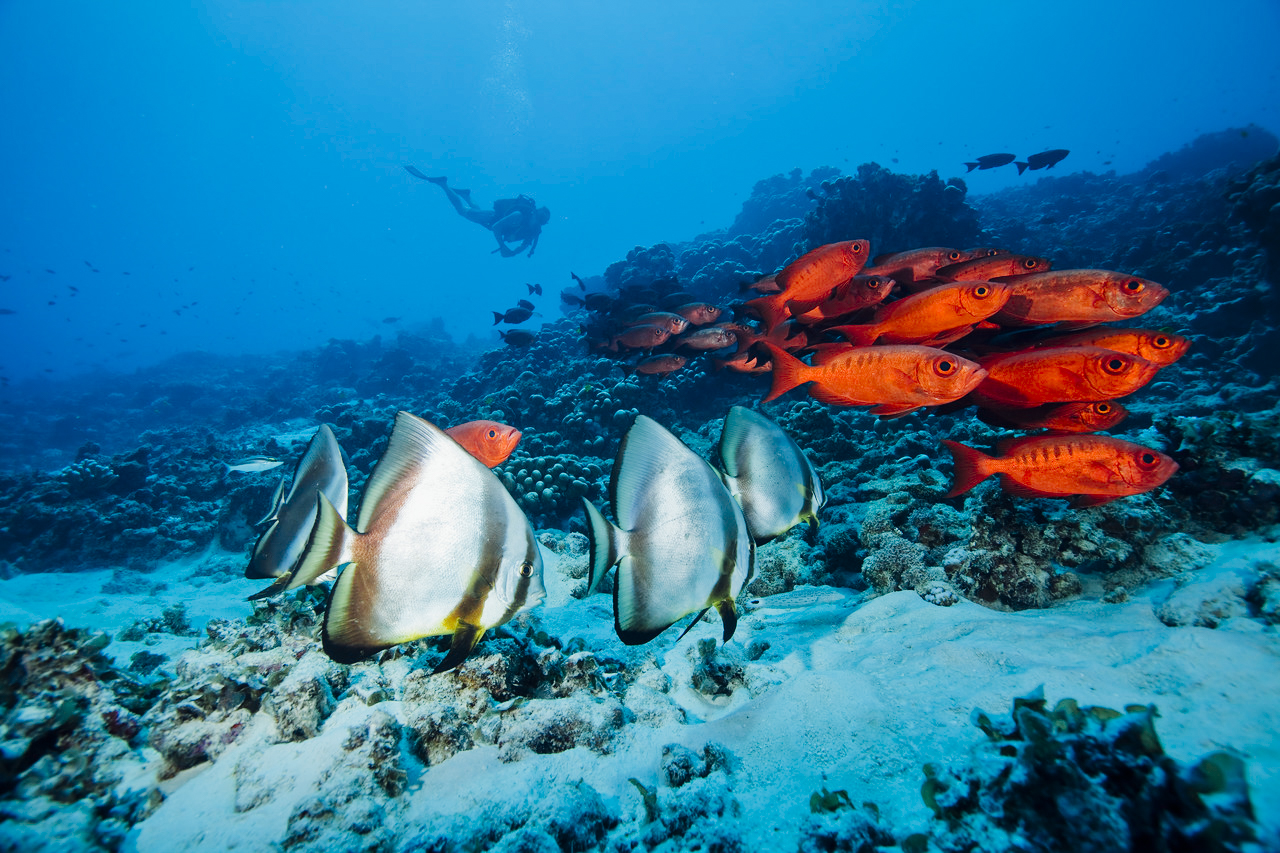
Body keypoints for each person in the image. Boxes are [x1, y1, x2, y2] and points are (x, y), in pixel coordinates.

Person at [405, 165, 550, 258]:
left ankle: (467, 195)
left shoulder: (533, 232)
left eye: (541, 221)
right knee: (462, 211)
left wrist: (511, 253)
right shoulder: (518, 216)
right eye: (538, 218)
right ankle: (443, 184)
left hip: (491, 221)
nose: (538, 222)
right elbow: (496, 227)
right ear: (534, 213)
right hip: (493, 218)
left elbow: (523, 247)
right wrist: (503, 247)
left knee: (475, 211)